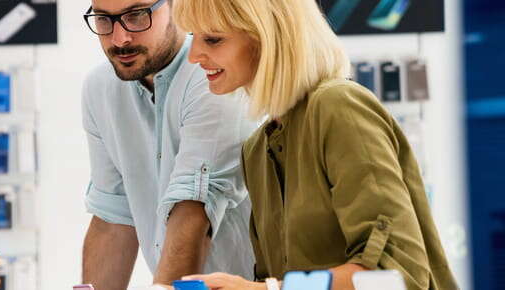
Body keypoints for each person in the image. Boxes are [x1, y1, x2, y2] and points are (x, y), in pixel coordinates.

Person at [171, 0, 458, 289]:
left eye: (213, 39)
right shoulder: (257, 150)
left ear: (269, 36)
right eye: (193, 37)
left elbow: (395, 275)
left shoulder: (338, 108)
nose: (194, 56)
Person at [80, 0, 258, 288]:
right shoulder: (100, 87)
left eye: (137, 16)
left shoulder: (213, 75)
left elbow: (193, 214)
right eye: (103, 19)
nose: (119, 38)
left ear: (177, 6)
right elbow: (112, 217)